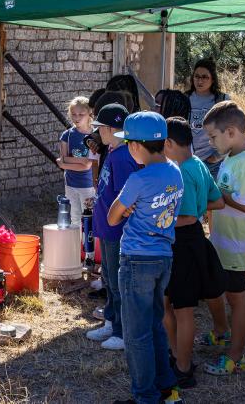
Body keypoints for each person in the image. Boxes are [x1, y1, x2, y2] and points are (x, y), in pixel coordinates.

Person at [108, 111, 184, 404]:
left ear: (135, 146)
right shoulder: (175, 170)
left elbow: (114, 217)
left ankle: (145, 396)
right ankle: (165, 384)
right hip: (163, 257)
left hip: (137, 260)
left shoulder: (138, 179)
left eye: (127, 144)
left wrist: (127, 208)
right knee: (154, 324)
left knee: (136, 334)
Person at [162, 117, 226, 389]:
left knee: (183, 310)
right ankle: (176, 356)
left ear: (168, 143)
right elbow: (218, 201)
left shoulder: (183, 172)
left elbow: (186, 217)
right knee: (170, 305)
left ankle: (184, 367)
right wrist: (201, 207)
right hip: (193, 241)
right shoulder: (199, 163)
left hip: (184, 243)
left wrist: (154, 220)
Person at [201, 101, 245, 376]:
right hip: (223, 241)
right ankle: (222, 332)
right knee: (221, 291)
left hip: (238, 246)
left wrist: (213, 196)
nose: (211, 142)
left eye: (213, 137)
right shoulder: (231, 157)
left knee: (238, 301)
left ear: (233, 132)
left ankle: (237, 357)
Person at [85, 104, 138, 351]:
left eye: (99, 129)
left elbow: (127, 197)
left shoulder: (123, 156)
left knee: (117, 281)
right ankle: (110, 320)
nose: (97, 134)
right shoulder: (114, 152)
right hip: (107, 229)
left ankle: (121, 331)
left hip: (117, 231)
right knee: (108, 276)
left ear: (108, 129)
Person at [185, 58, 230, 178]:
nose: (200, 80)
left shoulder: (222, 100)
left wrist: (218, 156)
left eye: (205, 77)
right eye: (197, 76)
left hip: (214, 163)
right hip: (188, 161)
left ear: (213, 79)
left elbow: (231, 130)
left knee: (213, 197)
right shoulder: (184, 98)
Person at [57, 96, 94, 226]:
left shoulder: (95, 135)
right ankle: (77, 245)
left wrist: (68, 160)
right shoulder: (67, 135)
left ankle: (89, 245)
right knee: (75, 218)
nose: (77, 118)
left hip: (88, 185)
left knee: (89, 217)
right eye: (73, 114)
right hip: (70, 184)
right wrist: (82, 161)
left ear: (90, 114)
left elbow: (88, 166)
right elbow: (63, 163)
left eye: (81, 114)